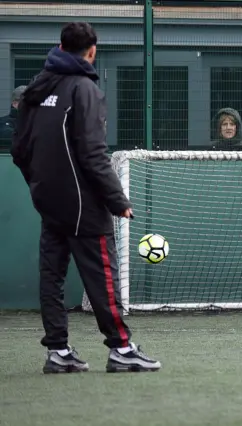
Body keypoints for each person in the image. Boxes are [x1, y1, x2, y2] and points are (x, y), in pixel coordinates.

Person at [11, 22, 161, 373]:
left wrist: (39, 184)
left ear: (59, 47)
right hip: (82, 203)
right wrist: (117, 200)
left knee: (52, 276)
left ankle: (58, 353)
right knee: (102, 275)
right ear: (92, 51)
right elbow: (93, 153)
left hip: (49, 200)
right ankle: (122, 349)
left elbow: (19, 150)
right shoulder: (84, 89)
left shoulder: (36, 87)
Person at [0, 85, 27, 149]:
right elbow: (5, 136)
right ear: (15, 103)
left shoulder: (37, 121)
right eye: (25, 101)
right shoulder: (3, 122)